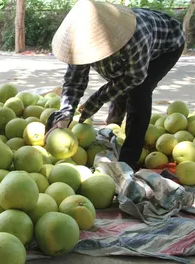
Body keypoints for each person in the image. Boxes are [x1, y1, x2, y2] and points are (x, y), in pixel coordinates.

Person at [46, 0, 186, 170]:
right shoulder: (80, 41)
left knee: (138, 93)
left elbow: (134, 78)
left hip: (167, 47)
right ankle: (114, 128)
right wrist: (65, 114)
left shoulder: (134, 37)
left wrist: (95, 101)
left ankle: (129, 160)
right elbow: (75, 81)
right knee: (119, 89)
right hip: (133, 57)